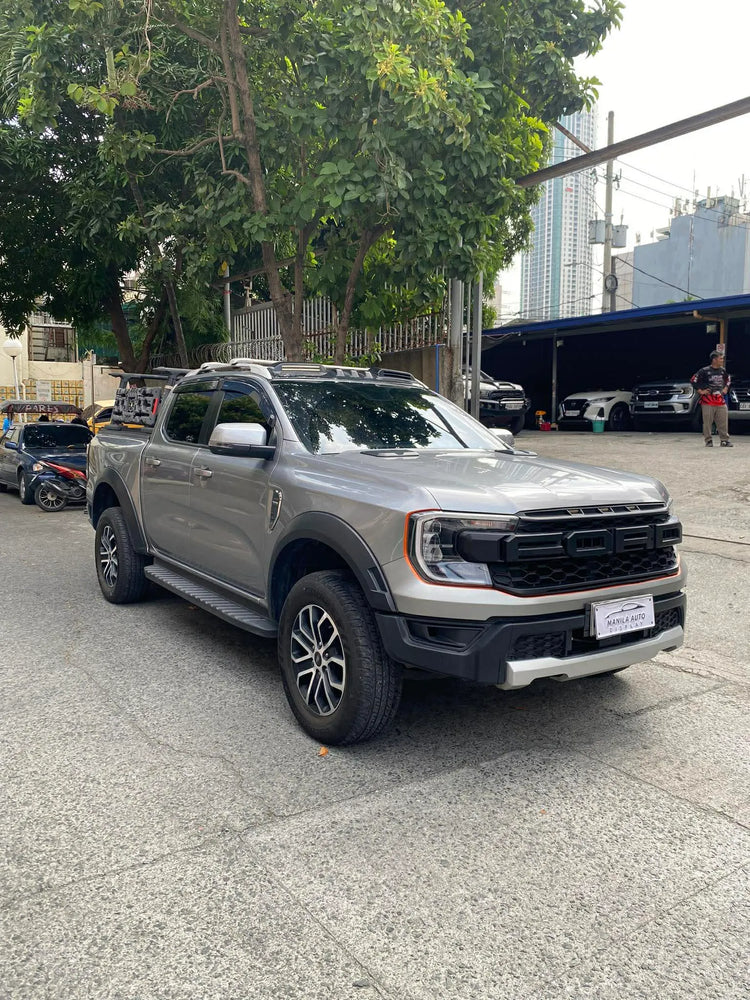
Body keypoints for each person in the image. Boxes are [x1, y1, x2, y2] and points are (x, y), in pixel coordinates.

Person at [694, 351, 732, 447]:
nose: (722, 360)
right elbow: (693, 380)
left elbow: (728, 379)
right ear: (714, 360)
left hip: (719, 399)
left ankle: (724, 440)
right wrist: (700, 391)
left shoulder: (723, 371)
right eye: (720, 358)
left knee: (723, 421)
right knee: (707, 422)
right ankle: (708, 440)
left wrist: (726, 388)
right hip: (708, 400)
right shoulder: (704, 371)